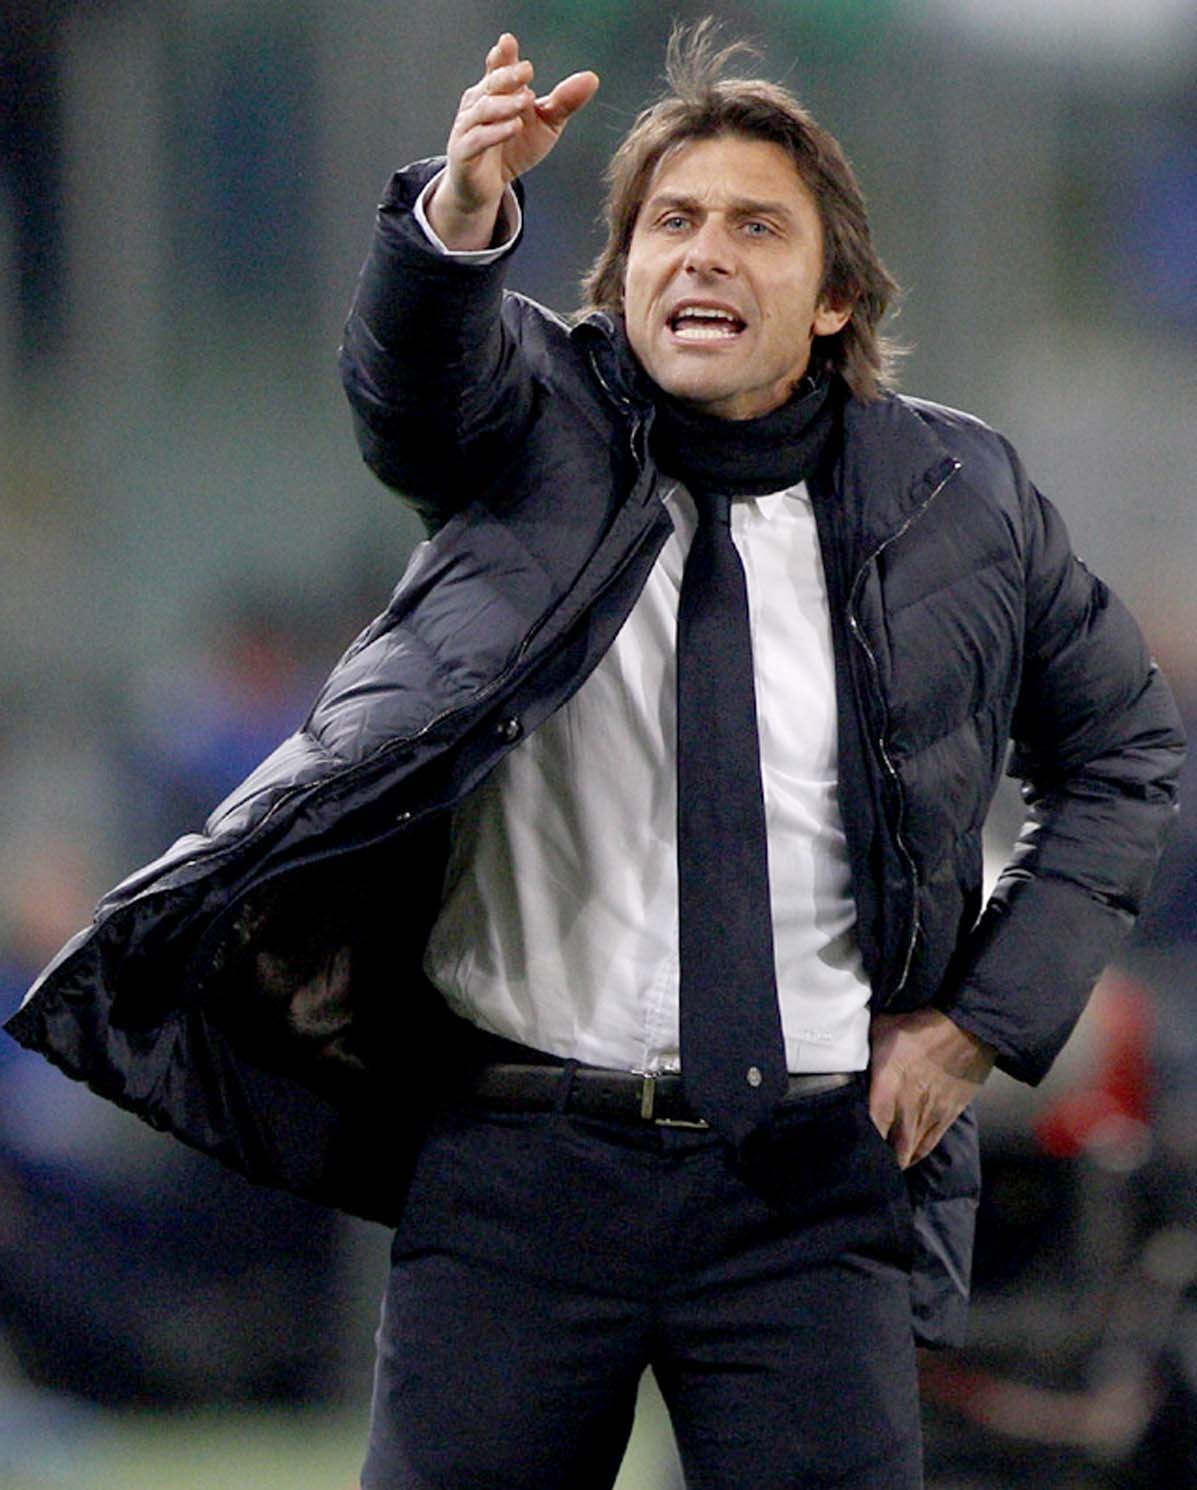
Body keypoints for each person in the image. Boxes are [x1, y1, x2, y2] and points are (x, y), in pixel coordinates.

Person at [5, 22, 1184, 1490]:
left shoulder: (960, 496)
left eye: (755, 227)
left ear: (835, 298)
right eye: (668, 225)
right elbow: (412, 384)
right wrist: (459, 213)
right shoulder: (533, 426)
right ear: (619, 280)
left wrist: (976, 1026)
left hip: (811, 1182)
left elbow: (1125, 749)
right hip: (519, 1171)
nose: (702, 254)